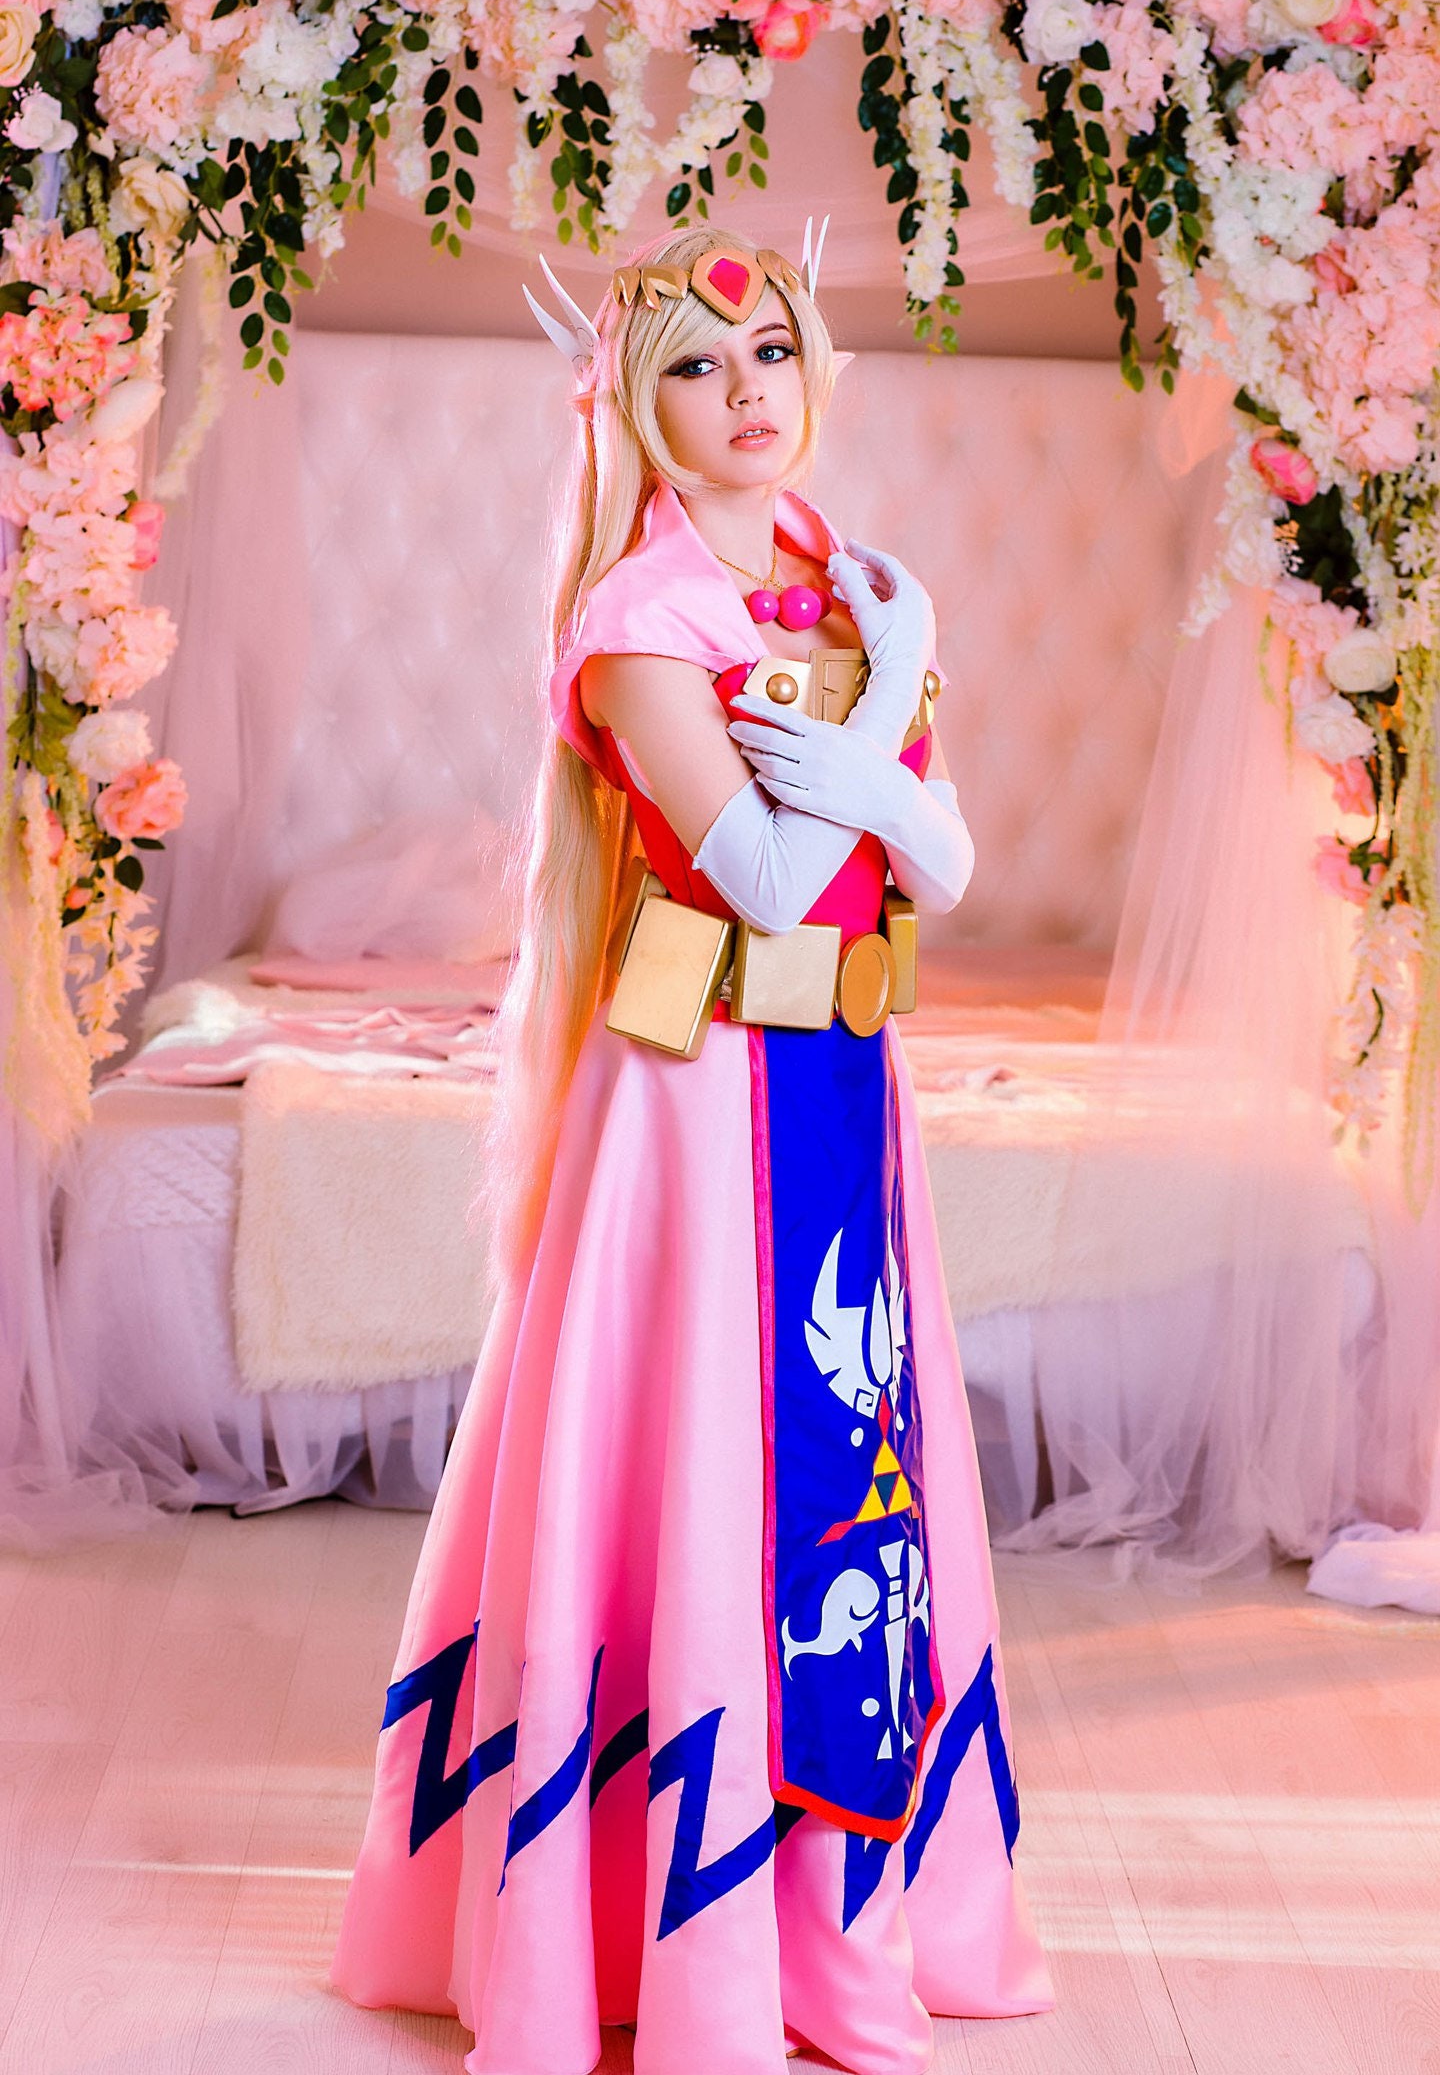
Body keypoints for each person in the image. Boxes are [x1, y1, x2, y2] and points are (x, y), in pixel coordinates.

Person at [332, 222, 1052, 2074]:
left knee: (847, 1482)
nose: (747, 395)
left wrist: (892, 714)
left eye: (774, 354)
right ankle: (674, 1943)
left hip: (847, 1089)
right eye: (698, 367)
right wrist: (891, 708)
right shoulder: (638, 621)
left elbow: (949, 865)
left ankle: (837, 1926)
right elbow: (765, 876)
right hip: (699, 1097)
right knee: (706, 1470)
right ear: (634, 406)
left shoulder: (839, 575)